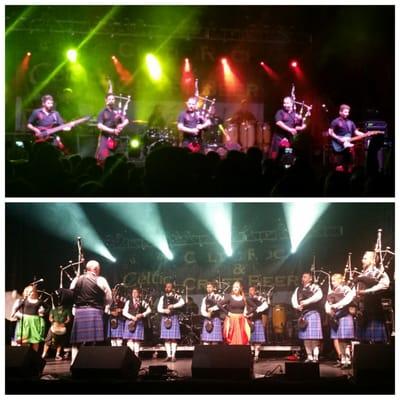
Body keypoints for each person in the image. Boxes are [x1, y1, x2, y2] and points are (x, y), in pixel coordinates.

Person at [69, 260, 112, 364]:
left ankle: (74, 362)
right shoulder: (100, 280)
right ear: (96, 269)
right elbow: (109, 297)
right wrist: (106, 307)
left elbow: (71, 293)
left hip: (79, 311)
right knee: (94, 340)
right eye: (99, 269)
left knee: (77, 341)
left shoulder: (77, 279)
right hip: (95, 311)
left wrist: (75, 307)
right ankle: (93, 362)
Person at [355, 251, 390, 343]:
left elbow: (385, 285)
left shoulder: (378, 273)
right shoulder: (361, 274)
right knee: (363, 343)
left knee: (376, 343)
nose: (362, 260)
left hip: (373, 309)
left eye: (365, 258)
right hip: (362, 311)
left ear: (373, 260)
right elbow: (355, 292)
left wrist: (366, 292)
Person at [325, 273, 355, 369]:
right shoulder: (332, 291)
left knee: (345, 340)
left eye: (334, 281)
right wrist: (328, 310)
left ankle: (348, 361)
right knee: (339, 340)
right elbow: (327, 303)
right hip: (335, 317)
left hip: (345, 315)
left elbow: (348, 299)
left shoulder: (346, 289)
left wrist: (335, 306)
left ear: (340, 280)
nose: (332, 283)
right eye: (332, 281)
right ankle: (342, 360)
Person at [291, 272, 323, 362]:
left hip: (313, 313)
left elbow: (319, 296)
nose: (303, 278)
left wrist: (307, 302)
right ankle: (309, 356)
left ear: (310, 279)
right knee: (306, 338)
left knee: (314, 337)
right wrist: (297, 306)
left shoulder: (315, 287)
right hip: (303, 314)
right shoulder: (298, 289)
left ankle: (315, 356)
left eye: (305, 277)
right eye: (302, 277)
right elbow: (293, 299)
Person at [328, 104, 366, 173]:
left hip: (348, 147)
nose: (347, 114)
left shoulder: (350, 122)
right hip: (338, 146)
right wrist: (338, 138)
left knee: (349, 165)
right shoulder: (335, 121)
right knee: (339, 167)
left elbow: (356, 132)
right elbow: (330, 132)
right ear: (340, 112)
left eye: (348, 112)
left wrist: (366, 134)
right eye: (345, 112)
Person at [96, 93, 129, 165]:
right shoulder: (102, 112)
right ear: (106, 100)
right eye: (109, 99)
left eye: (113, 99)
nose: (111, 100)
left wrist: (121, 125)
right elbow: (99, 125)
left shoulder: (118, 111)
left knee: (116, 159)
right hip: (105, 138)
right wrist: (112, 131)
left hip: (116, 138)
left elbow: (126, 120)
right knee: (103, 158)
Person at [271, 96, 306, 161]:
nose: (285, 105)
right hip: (279, 138)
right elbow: (278, 122)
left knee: (287, 158)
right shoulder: (280, 112)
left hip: (289, 139)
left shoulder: (295, 114)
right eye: (284, 103)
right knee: (275, 156)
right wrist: (289, 129)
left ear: (292, 103)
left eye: (287, 103)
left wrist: (302, 125)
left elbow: (298, 127)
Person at [11, 285, 46, 352]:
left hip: (33, 323)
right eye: (28, 291)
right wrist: (21, 315)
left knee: (35, 341)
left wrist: (41, 312)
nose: (30, 293)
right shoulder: (20, 301)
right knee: (23, 342)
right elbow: (14, 313)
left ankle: (33, 358)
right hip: (22, 324)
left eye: (32, 291)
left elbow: (42, 311)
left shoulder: (37, 302)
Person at [157, 282, 185, 362]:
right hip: (165, 318)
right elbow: (159, 308)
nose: (168, 288)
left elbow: (182, 302)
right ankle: (168, 355)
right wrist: (164, 310)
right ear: (165, 288)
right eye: (167, 287)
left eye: (169, 287)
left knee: (173, 338)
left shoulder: (176, 295)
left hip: (173, 317)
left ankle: (173, 356)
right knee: (166, 338)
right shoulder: (162, 297)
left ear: (172, 288)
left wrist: (173, 306)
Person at [219, 281, 251, 345]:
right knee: (231, 338)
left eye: (237, 287)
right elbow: (219, 304)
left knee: (241, 338)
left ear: (240, 288)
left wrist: (247, 314)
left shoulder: (244, 298)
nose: (235, 288)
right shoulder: (229, 297)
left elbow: (255, 307)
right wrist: (227, 313)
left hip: (241, 320)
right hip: (232, 320)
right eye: (234, 287)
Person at [122, 288, 151, 358]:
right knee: (130, 339)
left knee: (137, 340)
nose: (134, 294)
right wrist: (132, 317)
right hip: (130, 322)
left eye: (135, 292)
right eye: (133, 292)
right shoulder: (128, 302)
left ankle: (136, 356)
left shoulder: (142, 302)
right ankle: (130, 356)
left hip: (139, 322)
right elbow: (124, 312)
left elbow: (149, 310)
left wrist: (142, 314)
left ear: (139, 294)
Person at [246, 286, 269, 362]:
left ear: (255, 291)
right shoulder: (246, 299)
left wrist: (256, 311)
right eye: (249, 290)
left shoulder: (260, 298)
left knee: (257, 340)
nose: (250, 291)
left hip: (257, 320)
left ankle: (256, 356)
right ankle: (251, 354)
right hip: (248, 321)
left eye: (252, 290)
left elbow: (266, 305)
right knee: (249, 340)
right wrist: (247, 315)